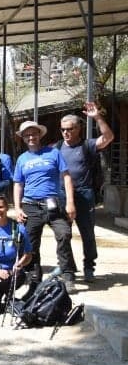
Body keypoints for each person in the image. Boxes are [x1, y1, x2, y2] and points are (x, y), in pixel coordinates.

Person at [13, 120, 77, 287]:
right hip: (30, 205)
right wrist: (18, 208)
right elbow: (18, 184)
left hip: (53, 204)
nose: (31, 137)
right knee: (31, 242)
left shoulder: (53, 153)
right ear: (24, 139)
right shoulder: (22, 159)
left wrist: (70, 202)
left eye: (33, 133)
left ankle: (68, 273)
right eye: (27, 135)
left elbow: (66, 177)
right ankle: (35, 277)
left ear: (39, 135)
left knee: (64, 234)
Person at [55, 103, 114, 282]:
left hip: (84, 194)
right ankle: (67, 269)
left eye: (70, 129)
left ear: (79, 128)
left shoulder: (87, 145)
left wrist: (97, 117)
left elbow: (109, 137)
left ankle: (89, 266)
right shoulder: (56, 147)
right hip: (62, 195)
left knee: (87, 233)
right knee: (63, 234)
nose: (65, 132)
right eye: (63, 129)